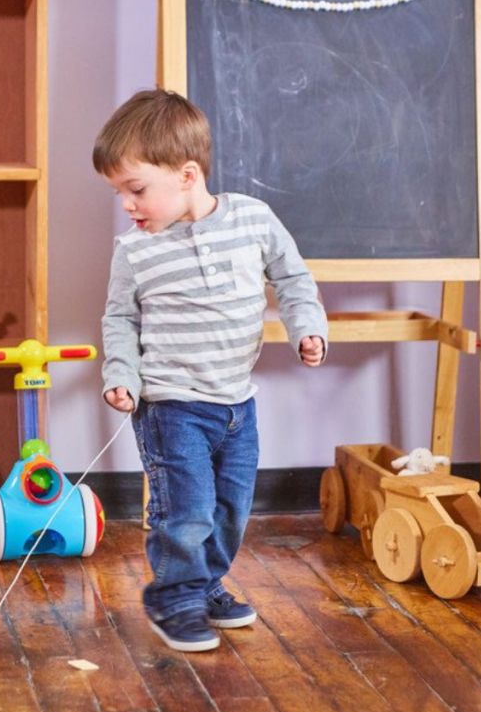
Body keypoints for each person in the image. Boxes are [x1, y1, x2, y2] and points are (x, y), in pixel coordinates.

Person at [93, 88, 328, 652]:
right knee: (186, 510)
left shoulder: (253, 219)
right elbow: (119, 319)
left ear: (188, 174)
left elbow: (292, 278)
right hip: (171, 407)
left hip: (236, 404)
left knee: (230, 509)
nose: (128, 205)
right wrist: (119, 373)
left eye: (136, 189)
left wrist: (307, 327)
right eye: (120, 193)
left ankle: (202, 584)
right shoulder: (134, 251)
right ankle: (173, 599)